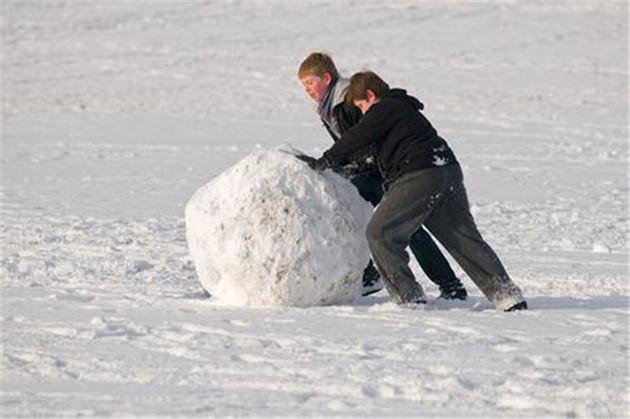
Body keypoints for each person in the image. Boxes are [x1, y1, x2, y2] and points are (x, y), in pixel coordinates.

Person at [300, 70, 527, 311]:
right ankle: (506, 295)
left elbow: (356, 137)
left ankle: (408, 297)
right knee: (462, 236)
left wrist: (323, 162)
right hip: (446, 168)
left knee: (380, 234)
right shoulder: (403, 108)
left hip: (418, 174)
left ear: (370, 94)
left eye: (361, 106)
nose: (363, 113)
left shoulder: (383, 108)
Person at [297, 52, 467, 300]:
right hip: (372, 170)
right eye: (303, 86)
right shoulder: (329, 105)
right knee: (370, 216)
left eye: (310, 83)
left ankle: (446, 285)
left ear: (326, 77)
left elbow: (366, 137)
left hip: (384, 172)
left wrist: (335, 163)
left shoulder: (346, 101)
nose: (307, 90)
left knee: (404, 227)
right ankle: (378, 275)